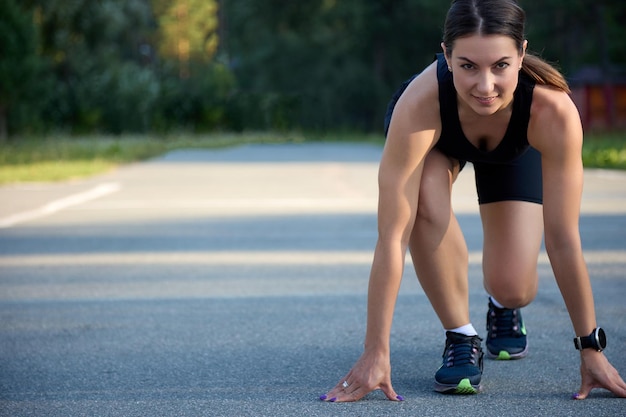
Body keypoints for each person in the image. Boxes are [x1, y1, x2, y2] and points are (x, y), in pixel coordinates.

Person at [320, 0, 626, 402]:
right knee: (424, 202)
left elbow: (564, 239)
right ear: (446, 56)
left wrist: (591, 348)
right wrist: (375, 350)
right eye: (468, 66)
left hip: (514, 149)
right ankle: (461, 336)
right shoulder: (419, 104)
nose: (485, 86)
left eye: (500, 65)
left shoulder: (552, 112)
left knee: (514, 285)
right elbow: (393, 236)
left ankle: (503, 304)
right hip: (439, 143)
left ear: (521, 54)